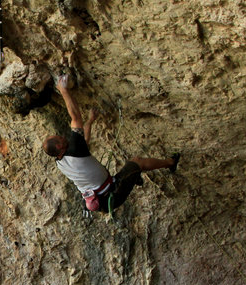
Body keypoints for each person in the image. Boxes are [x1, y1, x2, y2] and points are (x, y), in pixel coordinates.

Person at [42, 74, 179, 214]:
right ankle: (171, 162)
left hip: (101, 201)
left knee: (131, 169)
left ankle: (134, 177)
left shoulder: (62, 162)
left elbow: (85, 143)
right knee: (137, 162)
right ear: (59, 146)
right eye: (59, 138)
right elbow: (76, 117)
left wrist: (90, 122)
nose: (62, 136)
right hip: (112, 193)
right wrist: (64, 90)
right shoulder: (74, 149)